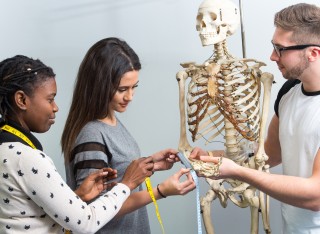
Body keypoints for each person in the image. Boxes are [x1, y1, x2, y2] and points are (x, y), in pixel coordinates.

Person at [190, 3, 320, 233]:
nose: (272, 56)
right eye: (273, 46)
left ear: (313, 53)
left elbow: (315, 196)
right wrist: (213, 158)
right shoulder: (289, 92)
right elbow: (268, 154)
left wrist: (237, 172)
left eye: (280, 49)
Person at [0, 55, 157, 234]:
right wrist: (127, 185)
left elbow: (27, 214)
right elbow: (85, 223)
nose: (55, 107)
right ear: (21, 100)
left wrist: (78, 196)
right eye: (50, 99)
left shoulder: (7, 150)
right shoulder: (27, 159)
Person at [61, 37, 195, 234]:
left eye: (134, 87)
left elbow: (118, 179)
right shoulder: (91, 134)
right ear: (99, 85)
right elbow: (93, 212)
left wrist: (151, 164)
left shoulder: (111, 122)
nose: (130, 97)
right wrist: (160, 192)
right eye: (122, 89)